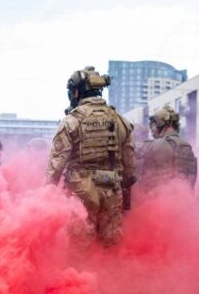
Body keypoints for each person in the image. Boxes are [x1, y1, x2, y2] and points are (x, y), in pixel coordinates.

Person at [46, 66, 135, 246]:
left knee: (80, 250)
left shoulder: (71, 121)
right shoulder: (121, 121)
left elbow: (55, 167)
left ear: (76, 92)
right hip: (112, 191)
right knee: (109, 250)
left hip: (81, 194)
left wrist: (46, 196)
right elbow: (130, 168)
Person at [137, 105, 197, 191]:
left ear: (161, 125)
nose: (151, 130)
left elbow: (131, 149)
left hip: (158, 201)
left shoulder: (158, 145)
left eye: (153, 125)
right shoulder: (187, 147)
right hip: (184, 200)